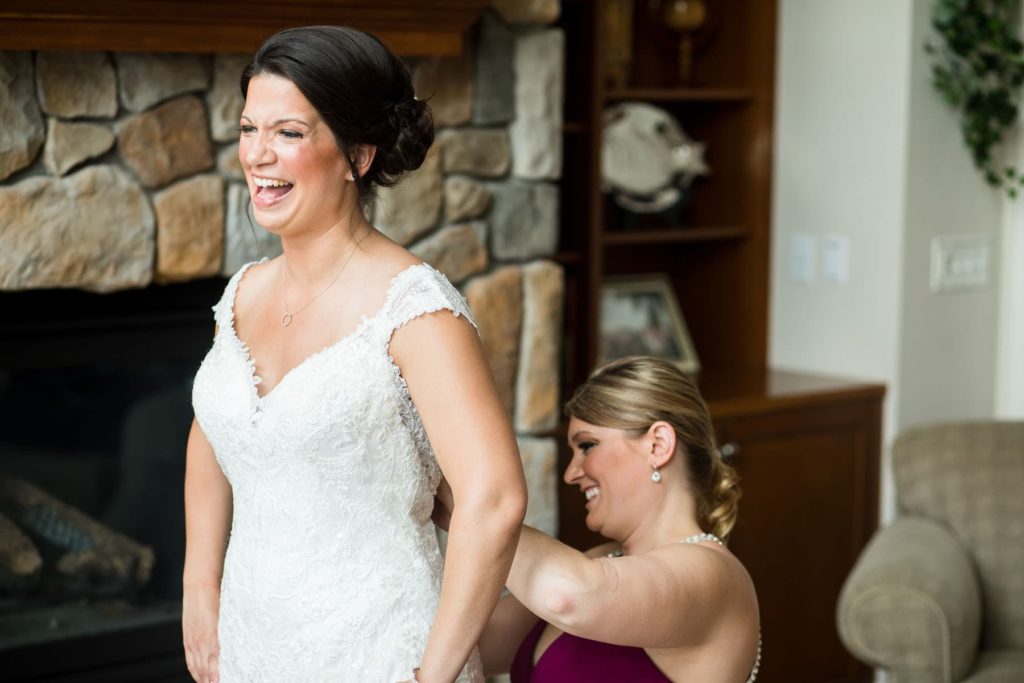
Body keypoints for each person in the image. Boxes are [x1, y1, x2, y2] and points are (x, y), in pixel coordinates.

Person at [182, 25, 527, 683]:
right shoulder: (242, 294)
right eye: (249, 128)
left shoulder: (415, 309)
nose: (257, 154)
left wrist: (434, 674)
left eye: (288, 132)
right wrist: (199, 588)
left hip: (380, 652)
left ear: (357, 156)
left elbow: (496, 498)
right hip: (253, 647)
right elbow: (213, 435)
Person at [470, 356, 761, 682]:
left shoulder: (714, 576)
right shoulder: (601, 559)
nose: (571, 473)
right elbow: (480, 643)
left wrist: (485, 505)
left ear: (658, 445)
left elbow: (566, 596)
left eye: (588, 446)